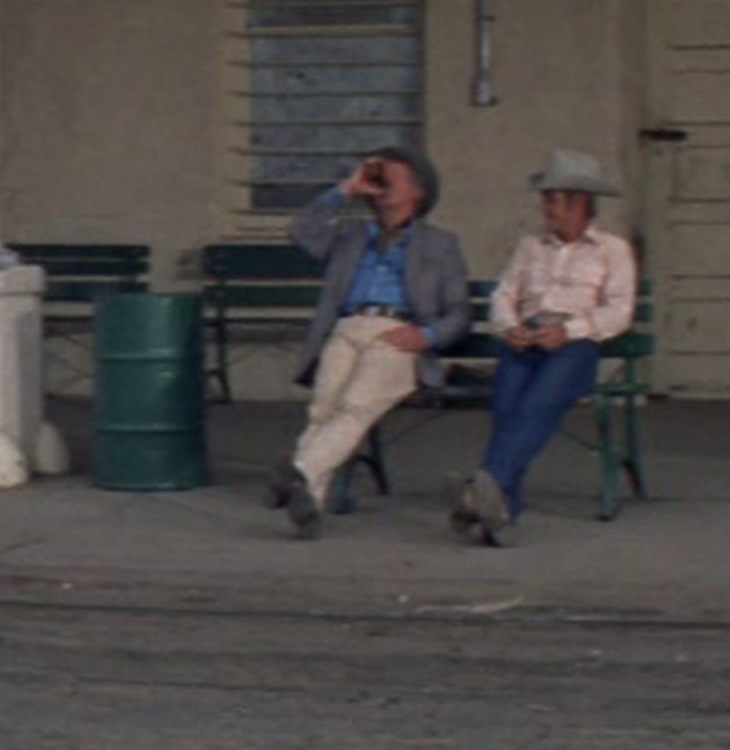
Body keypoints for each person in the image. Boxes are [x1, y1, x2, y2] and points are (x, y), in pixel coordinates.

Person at [266, 146, 469, 538]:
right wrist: (346, 190)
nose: (383, 183)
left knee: (355, 406)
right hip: (345, 329)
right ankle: (306, 503)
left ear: (419, 192)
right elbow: (301, 231)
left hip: (396, 335)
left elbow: (459, 311)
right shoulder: (350, 235)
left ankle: (300, 473)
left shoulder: (440, 244)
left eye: (393, 177)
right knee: (322, 409)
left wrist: (424, 335)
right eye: (379, 177)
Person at [454, 149, 637, 547]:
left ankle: (483, 492)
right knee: (507, 405)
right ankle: (500, 508)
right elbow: (505, 294)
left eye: (552, 198)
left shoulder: (612, 250)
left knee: (537, 404)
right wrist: (510, 326)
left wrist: (569, 331)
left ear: (579, 203)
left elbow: (619, 311)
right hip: (529, 337)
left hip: (575, 345)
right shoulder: (531, 246)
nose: (545, 207)